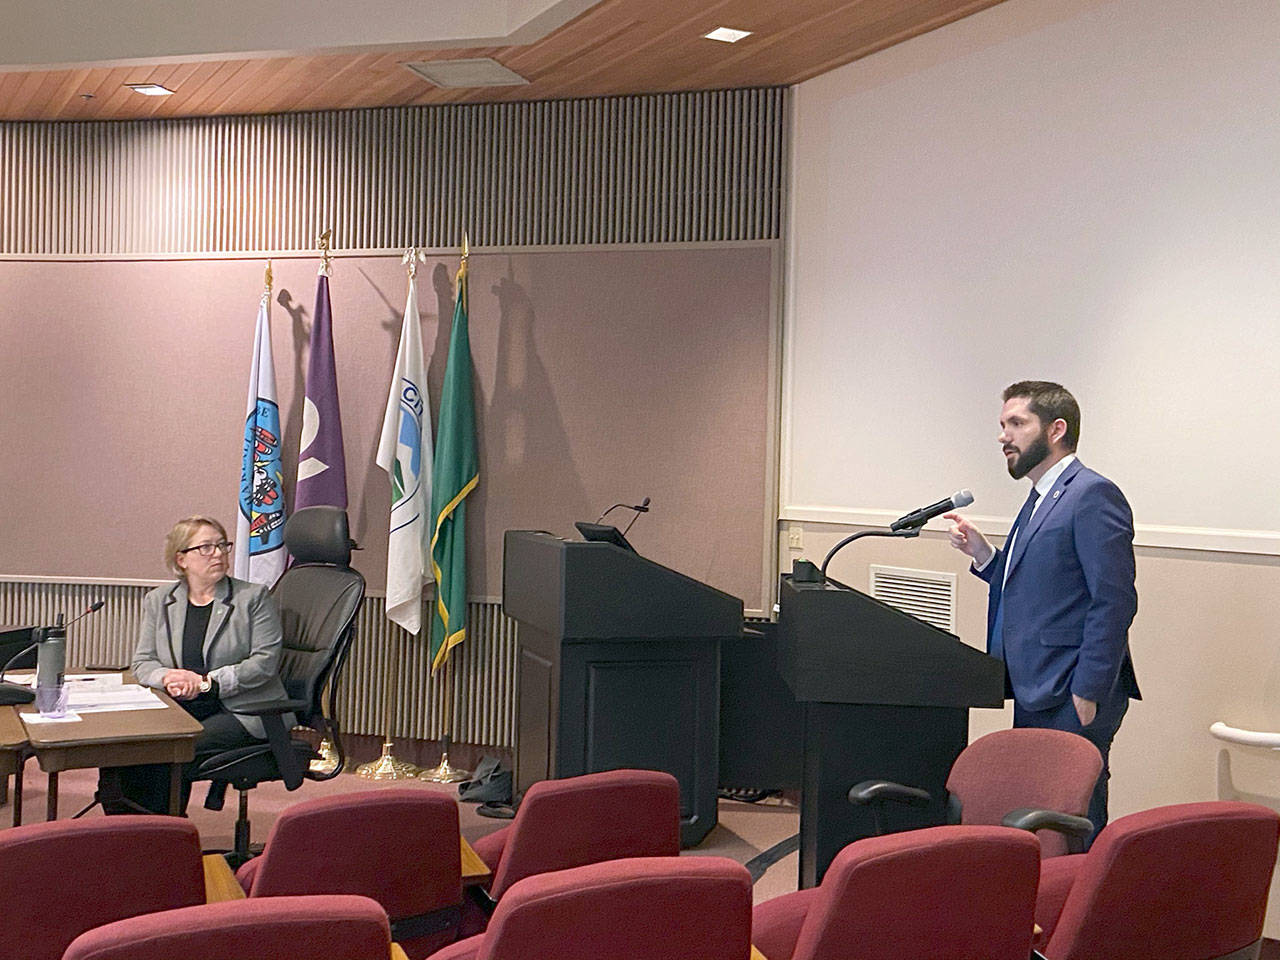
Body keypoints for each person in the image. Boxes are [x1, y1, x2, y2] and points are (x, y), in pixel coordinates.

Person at [944, 381, 1139, 836]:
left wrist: (1088, 690)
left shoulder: (1091, 494)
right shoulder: (1040, 497)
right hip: (1038, 683)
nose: (1003, 436)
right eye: (1002, 425)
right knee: (1043, 811)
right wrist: (986, 557)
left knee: (1071, 812)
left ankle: (1081, 902)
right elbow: (1035, 590)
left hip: (1073, 686)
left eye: (1016, 423)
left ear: (1055, 429)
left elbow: (1114, 600)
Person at [101, 515, 293, 815]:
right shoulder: (159, 600)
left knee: (167, 749)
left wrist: (206, 683)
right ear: (182, 559)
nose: (218, 553)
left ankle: (164, 837)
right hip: (180, 704)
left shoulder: (253, 598)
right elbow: (143, 662)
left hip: (242, 709)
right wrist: (168, 677)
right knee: (123, 746)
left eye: (222, 545)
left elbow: (264, 664)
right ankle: (125, 836)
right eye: (206, 547)